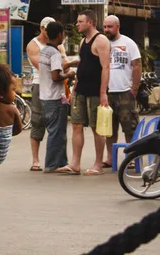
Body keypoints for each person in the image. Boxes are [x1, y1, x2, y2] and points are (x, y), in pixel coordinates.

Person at [68, 9, 111, 176]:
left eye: (80, 21)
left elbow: (106, 67)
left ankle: (98, 164)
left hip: (95, 91)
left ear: (90, 23)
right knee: (76, 125)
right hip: (80, 90)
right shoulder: (82, 41)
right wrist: (74, 88)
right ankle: (75, 163)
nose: (77, 24)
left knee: (96, 128)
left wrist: (103, 93)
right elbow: (81, 66)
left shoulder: (100, 40)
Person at [102, 15, 141, 168]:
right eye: (104, 27)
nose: (106, 30)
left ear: (117, 27)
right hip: (107, 91)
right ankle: (110, 158)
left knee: (129, 127)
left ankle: (131, 157)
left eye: (109, 27)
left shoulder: (128, 43)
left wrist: (134, 88)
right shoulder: (102, 44)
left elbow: (136, 66)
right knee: (109, 129)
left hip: (125, 91)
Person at [39, 21, 75, 174]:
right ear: (60, 34)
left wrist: (72, 63)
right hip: (54, 97)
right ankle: (52, 164)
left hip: (45, 96)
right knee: (57, 132)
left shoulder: (44, 51)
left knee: (58, 131)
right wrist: (70, 74)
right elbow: (55, 76)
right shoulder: (54, 53)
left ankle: (61, 162)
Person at [26, 16, 55, 171]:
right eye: (46, 28)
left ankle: (54, 159)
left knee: (56, 123)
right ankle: (35, 160)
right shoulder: (33, 44)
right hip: (40, 84)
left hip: (56, 85)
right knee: (38, 121)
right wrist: (58, 66)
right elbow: (41, 66)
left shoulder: (58, 43)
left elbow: (63, 61)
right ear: (41, 28)